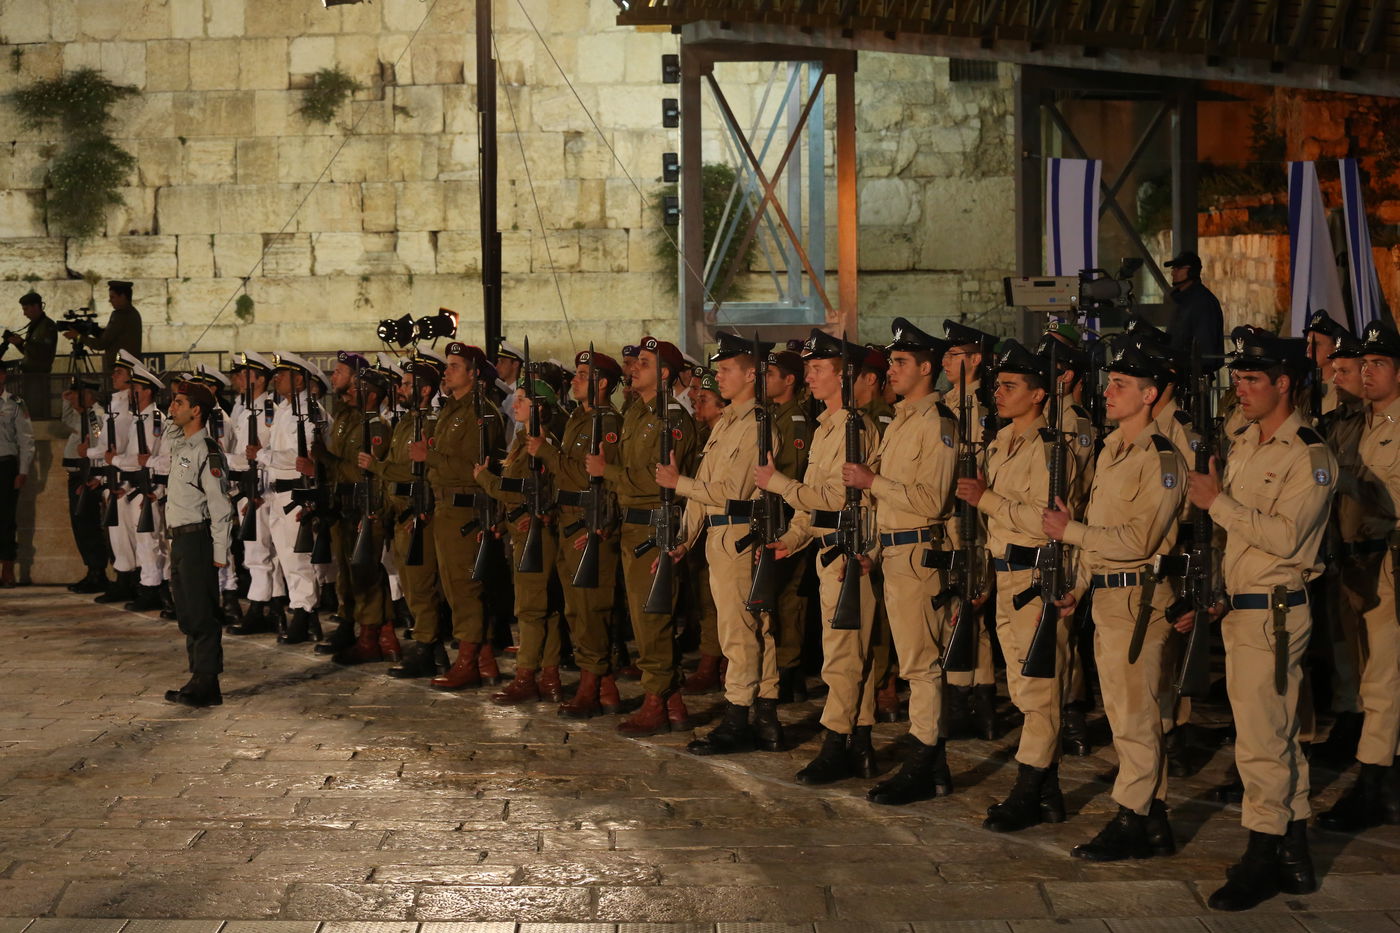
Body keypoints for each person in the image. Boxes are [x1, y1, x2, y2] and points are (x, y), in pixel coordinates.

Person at [1183, 328, 1335, 911]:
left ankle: (1262, 854)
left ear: (1284, 384)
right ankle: (1293, 854)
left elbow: (1287, 539)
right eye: (1238, 378)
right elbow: (1240, 538)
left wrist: (1215, 502)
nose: (1240, 389)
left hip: (1273, 611)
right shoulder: (1245, 441)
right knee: (1278, 735)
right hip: (1244, 606)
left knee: (1261, 742)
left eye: (1253, 379)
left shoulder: (1309, 454)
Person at [1042, 344, 1185, 860]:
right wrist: (1078, 588)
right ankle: (1153, 821)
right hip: (1108, 597)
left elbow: (1138, 539)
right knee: (1129, 712)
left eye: (1121, 384)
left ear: (1149, 395)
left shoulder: (1162, 457)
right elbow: (1101, 534)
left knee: (1135, 716)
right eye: (1109, 382)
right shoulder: (1111, 449)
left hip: (1139, 599)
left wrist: (1070, 529)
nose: (1108, 392)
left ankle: (1132, 817)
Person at [957, 339, 1078, 833]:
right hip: (1006, 574)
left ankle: (1030, 789)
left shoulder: (1051, 447)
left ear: (1039, 394)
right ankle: (1048, 794)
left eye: (1010, 386)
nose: (999, 393)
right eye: (997, 384)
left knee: (1039, 691)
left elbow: (1044, 522)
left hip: (1036, 576)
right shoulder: (1001, 441)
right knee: (1023, 689)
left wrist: (987, 500)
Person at [844, 318, 959, 805]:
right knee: (915, 661)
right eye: (891, 361)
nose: (890, 369)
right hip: (894, 548)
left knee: (921, 664)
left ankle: (922, 760)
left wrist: (873, 483)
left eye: (901, 361)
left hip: (917, 550)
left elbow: (930, 500)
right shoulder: (904, 420)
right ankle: (932, 765)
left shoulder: (936, 423)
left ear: (927, 368)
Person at [757, 331, 880, 784]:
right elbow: (815, 508)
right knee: (848, 654)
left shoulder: (854, 427)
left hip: (848, 553)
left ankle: (836, 744)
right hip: (827, 550)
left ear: (843, 375)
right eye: (808, 368)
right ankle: (860, 745)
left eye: (818, 368)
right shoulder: (828, 425)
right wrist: (792, 537)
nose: (808, 375)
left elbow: (833, 497)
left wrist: (778, 484)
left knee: (843, 658)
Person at [660, 331, 782, 756]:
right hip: (719, 535)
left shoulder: (757, 425)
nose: (719, 377)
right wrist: (684, 537)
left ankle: (738, 717)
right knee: (752, 630)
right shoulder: (727, 423)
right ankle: (766, 718)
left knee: (739, 632)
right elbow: (705, 489)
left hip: (739, 536)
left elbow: (730, 490)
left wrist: (680, 483)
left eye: (727, 370)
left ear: (751, 375)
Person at [589, 336, 697, 736]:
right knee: (643, 615)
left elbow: (659, 479)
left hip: (655, 522)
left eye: (645, 363)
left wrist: (608, 472)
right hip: (632, 522)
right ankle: (673, 704)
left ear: (665, 374)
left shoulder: (673, 418)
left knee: (654, 617)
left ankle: (657, 700)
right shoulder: (637, 412)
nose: (633, 368)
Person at [1316, 319, 1400, 831]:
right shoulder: (1358, 422)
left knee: (1384, 677)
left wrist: (1341, 477)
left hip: (1388, 558)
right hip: (1355, 558)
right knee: (1370, 671)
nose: (1366, 374)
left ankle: (1374, 785)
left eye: (1378, 364)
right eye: (1362, 364)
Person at [532, 349, 625, 717]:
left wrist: (548, 455)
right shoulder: (578, 420)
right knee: (575, 608)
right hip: (568, 518)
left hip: (591, 521)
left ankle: (591, 684)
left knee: (591, 609)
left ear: (602, 384)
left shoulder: (609, 422)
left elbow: (593, 475)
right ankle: (605, 687)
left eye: (583, 375)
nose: (574, 380)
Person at [413, 341, 507, 689]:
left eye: (454, 366)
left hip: (466, 508)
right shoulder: (452, 410)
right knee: (454, 588)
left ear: (473, 374)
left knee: (466, 589)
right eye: (448, 365)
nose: (447, 371)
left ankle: (467, 662)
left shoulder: (482, 414)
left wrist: (430, 457)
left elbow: (474, 468)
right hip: (445, 507)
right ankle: (485, 663)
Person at [162, 381, 234, 708]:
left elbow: (220, 505)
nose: (171, 408)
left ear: (196, 411)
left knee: (202, 613)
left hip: (198, 540)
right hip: (180, 540)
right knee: (188, 612)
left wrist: (220, 553)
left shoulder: (207, 450)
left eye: (178, 402)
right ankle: (197, 677)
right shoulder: (183, 446)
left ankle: (208, 681)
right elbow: (169, 433)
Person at [249, 352, 323, 644]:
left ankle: (304, 614)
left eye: (283, 374)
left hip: (296, 490)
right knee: (286, 558)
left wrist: (263, 455)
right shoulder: (283, 409)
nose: (276, 378)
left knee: (299, 557)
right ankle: (305, 614)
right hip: (276, 492)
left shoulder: (307, 411)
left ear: (300, 380)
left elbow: (298, 457)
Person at [61, 376, 110, 593]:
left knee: (88, 524)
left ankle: (97, 572)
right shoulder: (84, 416)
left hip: (87, 476)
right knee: (80, 525)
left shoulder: (94, 417)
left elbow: (99, 444)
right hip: (77, 475)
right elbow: (69, 422)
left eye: (76, 394)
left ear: (87, 395)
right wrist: (68, 403)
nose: (72, 398)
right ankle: (92, 570)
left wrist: (92, 476)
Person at [0, 360, 34, 587]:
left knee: (5, 519)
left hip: (5, 466)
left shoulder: (15, 403)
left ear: (3, 376)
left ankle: (7, 568)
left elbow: (26, 439)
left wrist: (23, 470)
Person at [64, 281, 143, 375]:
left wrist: (78, 336)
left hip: (120, 371)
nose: (110, 301)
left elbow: (101, 344)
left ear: (123, 296)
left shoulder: (121, 315)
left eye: (112, 297)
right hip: (127, 368)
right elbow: (115, 337)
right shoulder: (132, 313)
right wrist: (96, 331)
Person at [1162, 252, 1224, 361]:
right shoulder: (1182, 300)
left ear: (1192, 271)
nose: (1173, 273)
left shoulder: (1203, 302)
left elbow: (1205, 345)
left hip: (1191, 372)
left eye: (1178, 268)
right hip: (1179, 368)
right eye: (1173, 268)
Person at [7, 292, 58, 419]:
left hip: (39, 376)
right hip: (29, 375)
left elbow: (42, 352)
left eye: (26, 309)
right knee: (29, 409)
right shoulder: (35, 325)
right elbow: (29, 352)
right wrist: (19, 344)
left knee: (37, 410)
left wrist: (23, 343)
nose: (24, 313)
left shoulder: (47, 325)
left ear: (36, 306)